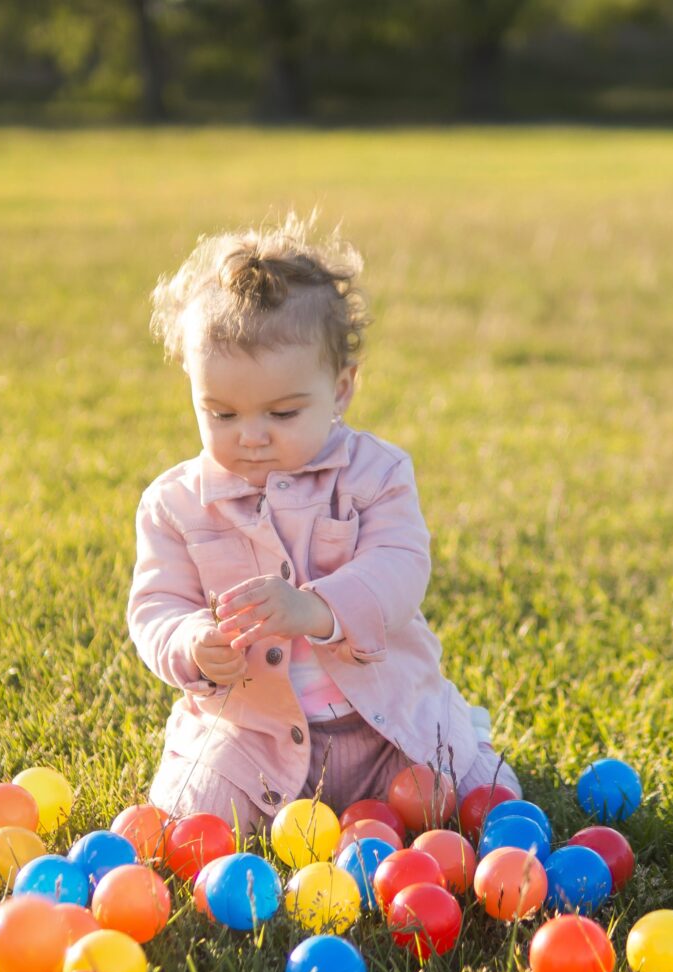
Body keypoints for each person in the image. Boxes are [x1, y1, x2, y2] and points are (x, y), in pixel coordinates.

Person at [128, 213, 520, 836]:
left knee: (483, 797)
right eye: (221, 412)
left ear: (340, 390)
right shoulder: (175, 504)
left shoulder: (376, 473)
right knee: (190, 825)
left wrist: (316, 610)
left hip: (384, 717)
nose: (251, 436)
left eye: (282, 412)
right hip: (250, 730)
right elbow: (156, 604)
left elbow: (400, 566)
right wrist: (192, 645)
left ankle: (445, 755)